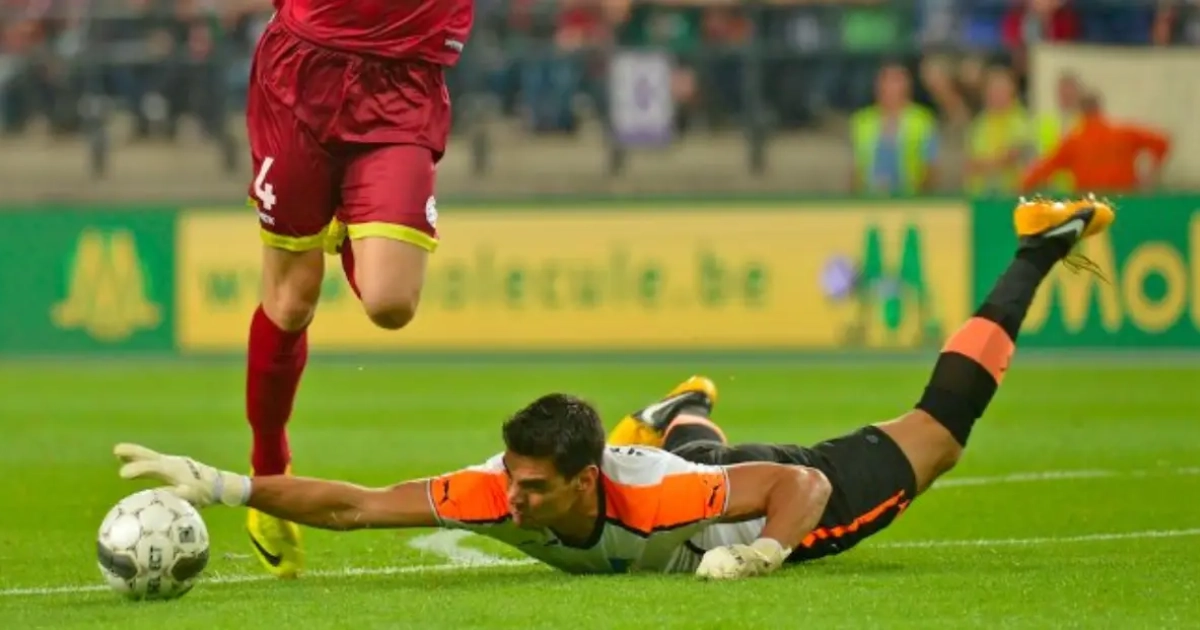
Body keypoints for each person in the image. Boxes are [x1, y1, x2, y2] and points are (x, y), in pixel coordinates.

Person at [114, 196, 1115, 580]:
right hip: (694, 483)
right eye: (513, 480)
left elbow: (800, 489)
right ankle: (682, 415)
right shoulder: (499, 489)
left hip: (751, 501)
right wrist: (221, 483)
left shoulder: (656, 499)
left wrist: (764, 555)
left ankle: (1035, 246)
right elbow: (354, 505)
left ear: (586, 480)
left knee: (938, 434)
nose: (514, 500)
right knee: (700, 462)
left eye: (534, 488)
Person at [239, 0, 473, 578]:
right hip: (300, 72)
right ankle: (269, 473)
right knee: (291, 300)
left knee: (390, 303)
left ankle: (350, 217)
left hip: (402, 84)